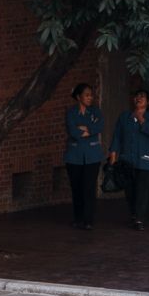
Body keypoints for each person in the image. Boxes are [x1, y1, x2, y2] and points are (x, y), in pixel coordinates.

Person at [108, 88, 149, 230]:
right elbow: (117, 136)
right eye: (136, 96)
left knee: (141, 190)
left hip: (144, 160)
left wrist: (140, 117)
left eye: (142, 96)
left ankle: (139, 219)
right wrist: (113, 157)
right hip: (127, 160)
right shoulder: (124, 117)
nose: (138, 98)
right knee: (130, 191)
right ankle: (134, 215)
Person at [63, 82, 105, 230]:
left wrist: (86, 129)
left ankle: (88, 220)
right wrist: (87, 130)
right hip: (74, 156)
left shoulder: (95, 111)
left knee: (89, 188)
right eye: (86, 95)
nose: (90, 98)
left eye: (91, 95)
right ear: (78, 97)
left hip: (92, 156)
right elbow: (73, 131)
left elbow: (99, 126)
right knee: (77, 188)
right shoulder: (71, 112)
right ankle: (78, 218)